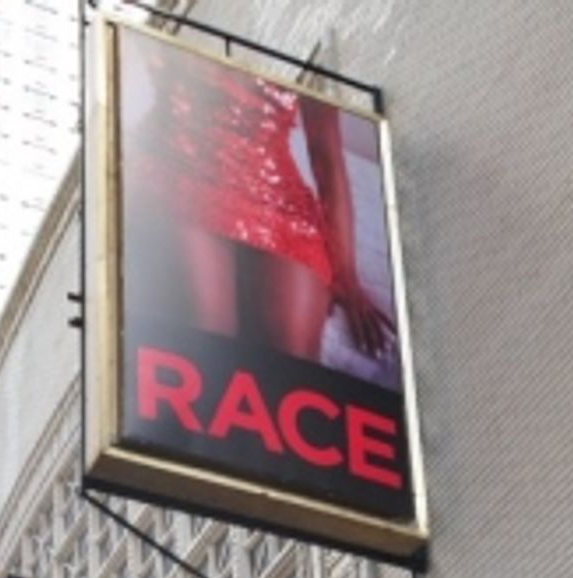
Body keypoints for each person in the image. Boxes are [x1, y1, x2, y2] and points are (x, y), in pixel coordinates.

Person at [124, 33, 396, 372]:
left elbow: (326, 156)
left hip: (276, 197)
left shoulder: (309, 36)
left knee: (294, 361)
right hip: (182, 168)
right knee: (208, 341)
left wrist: (348, 277)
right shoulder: (175, 23)